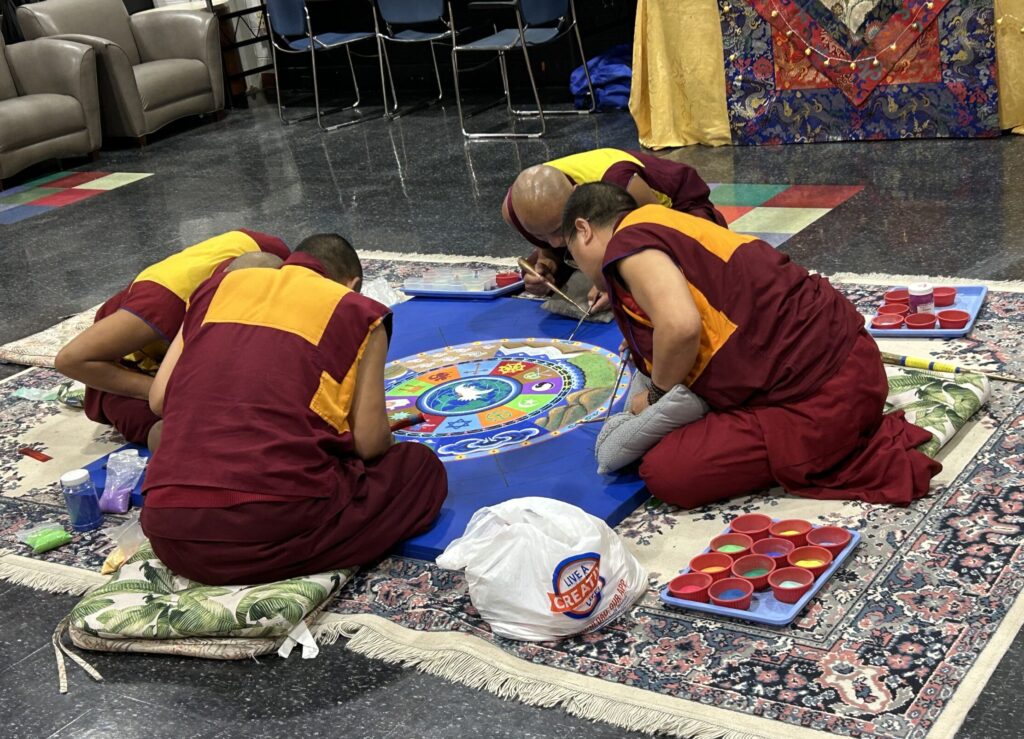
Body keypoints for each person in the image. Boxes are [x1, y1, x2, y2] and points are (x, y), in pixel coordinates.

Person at [562, 183, 940, 508]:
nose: (579, 267)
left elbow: (679, 326)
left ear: (584, 230)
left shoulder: (626, 245)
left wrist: (657, 395)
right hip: (856, 363)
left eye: (570, 254)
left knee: (667, 470)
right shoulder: (662, 219)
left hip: (821, 404)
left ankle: (833, 444)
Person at [140, 234, 448, 585]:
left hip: (168, 534)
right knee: (419, 470)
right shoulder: (355, 309)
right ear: (354, 285)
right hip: (268, 528)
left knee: (166, 436)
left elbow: (160, 400)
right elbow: (369, 444)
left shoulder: (218, 288)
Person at [55, 230, 289, 449]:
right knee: (185, 429)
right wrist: (170, 392)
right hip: (135, 366)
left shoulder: (274, 255)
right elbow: (69, 360)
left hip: (196, 349)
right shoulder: (161, 307)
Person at [503, 148, 726, 310]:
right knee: (540, 270)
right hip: (588, 219)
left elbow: (663, 238)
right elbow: (550, 245)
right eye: (541, 235)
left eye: (558, 229)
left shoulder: (621, 182)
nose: (553, 242)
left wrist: (615, 283)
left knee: (689, 275)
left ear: (576, 194)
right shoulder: (514, 211)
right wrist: (548, 263)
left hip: (678, 209)